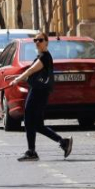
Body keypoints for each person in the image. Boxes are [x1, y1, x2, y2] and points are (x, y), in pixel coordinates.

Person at [11, 32, 73, 162]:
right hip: (40, 92)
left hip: (38, 92)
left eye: (40, 40)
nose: (37, 42)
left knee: (28, 120)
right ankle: (63, 142)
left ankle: (31, 151)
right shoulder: (41, 56)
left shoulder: (44, 57)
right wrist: (13, 78)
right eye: (35, 40)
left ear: (46, 42)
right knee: (38, 125)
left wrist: (16, 80)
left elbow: (31, 70)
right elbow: (31, 72)